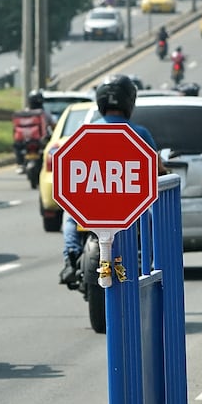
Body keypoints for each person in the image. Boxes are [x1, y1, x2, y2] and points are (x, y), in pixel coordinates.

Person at [59, 75, 159, 285]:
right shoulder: (140, 133)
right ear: (129, 101)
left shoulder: (85, 131)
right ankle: (148, 264)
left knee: (70, 217)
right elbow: (156, 166)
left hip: (92, 203)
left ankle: (70, 259)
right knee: (148, 217)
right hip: (127, 207)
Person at [13, 89, 54, 171]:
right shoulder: (44, 113)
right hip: (41, 141)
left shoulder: (25, 112)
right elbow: (53, 125)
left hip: (26, 141)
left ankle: (20, 164)